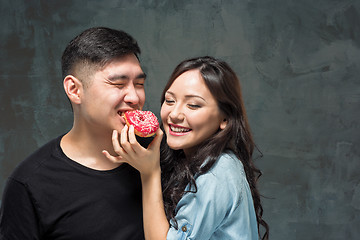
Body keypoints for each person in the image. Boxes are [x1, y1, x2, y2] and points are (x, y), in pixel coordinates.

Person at [0, 27, 148, 239]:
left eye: (140, 84)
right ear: (74, 90)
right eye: (118, 84)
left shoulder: (161, 155)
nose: (134, 97)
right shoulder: (29, 184)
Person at [104, 56, 269, 239]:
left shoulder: (218, 172)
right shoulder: (185, 160)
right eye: (170, 101)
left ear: (225, 119)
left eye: (193, 105)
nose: (174, 114)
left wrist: (149, 174)